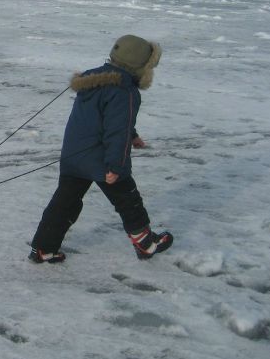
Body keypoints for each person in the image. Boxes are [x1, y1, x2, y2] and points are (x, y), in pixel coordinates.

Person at [29, 34, 172, 263]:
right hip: (103, 159)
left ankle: (44, 249)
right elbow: (117, 131)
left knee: (64, 203)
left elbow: (103, 118)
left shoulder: (93, 79)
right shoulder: (125, 90)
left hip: (74, 155)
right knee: (128, 199)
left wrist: (133, 135)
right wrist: (116, 166)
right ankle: (146, 243)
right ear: (140, 66)